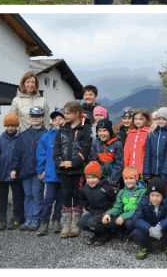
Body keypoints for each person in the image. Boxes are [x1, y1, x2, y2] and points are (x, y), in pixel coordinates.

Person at [54, 101, 92, 238]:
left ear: (77, 113)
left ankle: (75, 225)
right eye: (65, 113)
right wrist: (59, 162)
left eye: (68, 113)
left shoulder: (85, 128)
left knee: (77, 195)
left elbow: (86, 148)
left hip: (78, 169)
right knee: (65, 195)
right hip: (63, 170)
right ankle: (66, 225)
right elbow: (57, 147)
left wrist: (74, 163)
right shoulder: (62, 128)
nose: (65, 115)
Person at [14, 106, 48, 231]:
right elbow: (16, 153)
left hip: (38, 171)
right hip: (25, 170)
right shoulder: (23, 135)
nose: (35, 118)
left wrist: (44, 169)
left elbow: (48, 154)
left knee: (37, 194)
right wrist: (14, 168)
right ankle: (28, 218)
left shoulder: (46, 134)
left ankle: (36, 219)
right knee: (28, 195)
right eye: (33, 116)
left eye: (38, 116)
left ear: (43, 118)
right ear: (29, 118)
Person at [0, 113, 26, 231]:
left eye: (13, 125)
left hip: (16, 173)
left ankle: (16, 216)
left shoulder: (21, 138)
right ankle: (2, 218)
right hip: (2, 172)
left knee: (17, 196)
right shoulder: (0, 139)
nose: (10, 128)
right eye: (8, 126)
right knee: (2, 196)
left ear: (17, 125)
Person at [36, 110, 64, 236]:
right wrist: (40, 170)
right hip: (51, 173)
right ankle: (44, 223)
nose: (58, 122)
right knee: (48, 199)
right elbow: (41, 155)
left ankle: (57, 221)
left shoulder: (68, 135)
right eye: (55, 119)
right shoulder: (46, 137)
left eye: (60, 119)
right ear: (52, 122)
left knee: (60, 199)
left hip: (64, 173)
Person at [76, 161, 118, 245]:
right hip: (93, 212)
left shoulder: (107, 188)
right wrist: (89, 209)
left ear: (99, 176)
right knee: (80, 223)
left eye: (93, 177)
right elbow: (82, 200)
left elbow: (116, 200)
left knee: (92, 222)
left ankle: (107, 234)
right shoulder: (85, 189)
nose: (90, 180)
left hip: (105, 214)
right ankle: (97, 233)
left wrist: (110, 212)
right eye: (88, 177)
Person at [143, 108, 167, 190]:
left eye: (164, 119)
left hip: (164, 173)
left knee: (165, 196)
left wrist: (165, 174)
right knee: (153, 196)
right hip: (152, 172)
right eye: (159, 119)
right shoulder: (152, 133)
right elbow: (147, 153)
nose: (161, 121)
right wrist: (146, 173)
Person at [90, 118, 123, 188]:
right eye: (99, 131)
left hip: (114, 180)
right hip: (100, 180)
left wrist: (114, 182)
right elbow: (94, 162)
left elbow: (119, 164)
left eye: (105, 131)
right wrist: (98, 179)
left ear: (110, 132)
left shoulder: (117, 144)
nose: (102, 133)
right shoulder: (96, 144)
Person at [124, 108, 151, 175]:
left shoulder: (149, 133)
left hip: (143, 170)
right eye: (136, 119)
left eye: (140, 119)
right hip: (130, 169)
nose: (137, 121)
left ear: (146, 119)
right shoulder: (130, 133)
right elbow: (126, 151)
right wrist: (125, 167)